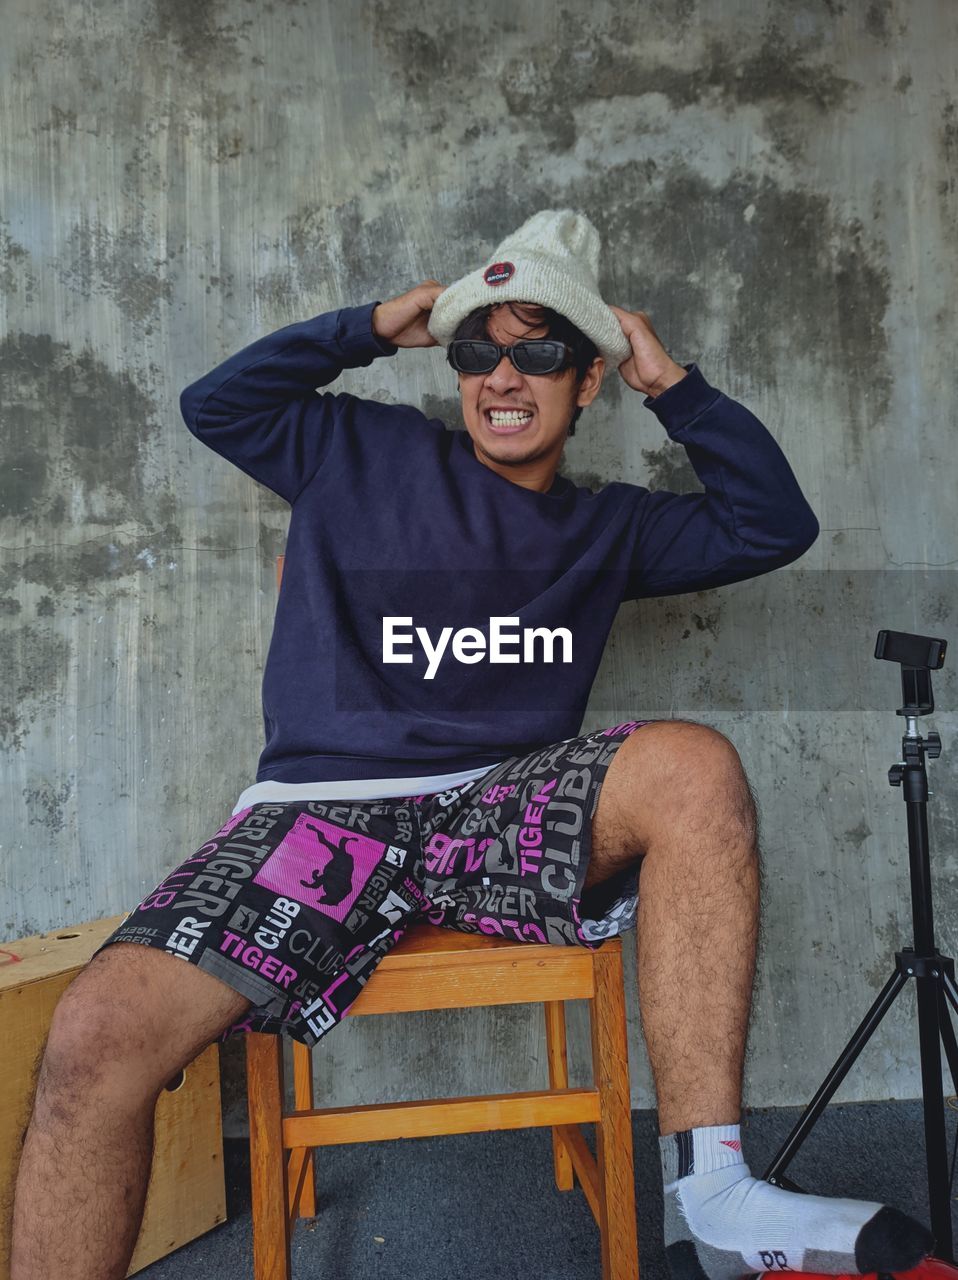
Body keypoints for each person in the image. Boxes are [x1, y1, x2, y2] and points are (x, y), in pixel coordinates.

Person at [11, 210, 933, 1280]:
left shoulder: (610, 527)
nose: (505, 374)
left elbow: (775, 524)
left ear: (586, 382)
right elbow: (212, 403)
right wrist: (363, 326)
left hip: (496, 809)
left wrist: (670, 381)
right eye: (478, 348)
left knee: (691, 764)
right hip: (318, 816)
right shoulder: (352, 447)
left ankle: (715, 1194)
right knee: (92, 1038)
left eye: (541, 350)